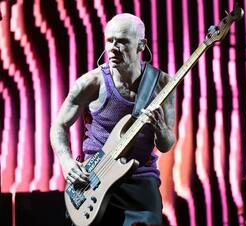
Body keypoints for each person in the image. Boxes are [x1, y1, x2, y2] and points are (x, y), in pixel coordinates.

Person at [50, 13, 175, 226]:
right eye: (110, 40)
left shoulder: (162, 83)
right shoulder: (90, 83)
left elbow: (166, 144)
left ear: (141, 45)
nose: (113, 48)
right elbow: (59, 126)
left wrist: (161, 129)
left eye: (123, 41)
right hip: (94, 180)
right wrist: (67, 163)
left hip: (140, 178)